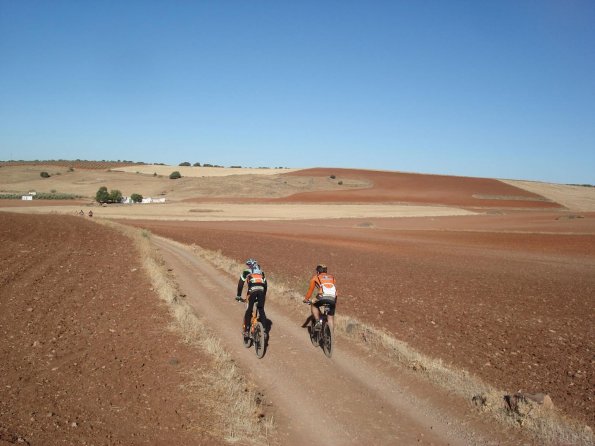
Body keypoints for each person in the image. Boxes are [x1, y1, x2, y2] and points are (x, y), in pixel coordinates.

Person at [236, 258, 268, 338]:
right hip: (261, 291)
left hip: (252, 291)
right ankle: (264, 331)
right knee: (261, 309)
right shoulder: (261, 272)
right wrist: (263, 295)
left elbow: (240, 285)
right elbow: (265, 285)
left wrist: (239, 296)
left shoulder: (246, 272)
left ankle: (246, 331)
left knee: (249, 309)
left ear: (248, 265)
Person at [303, 264, 338, 332]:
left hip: (322, 296)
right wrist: (334, 301)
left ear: (318, 272)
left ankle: (318, 322)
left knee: (314, 305)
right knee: (330, 317)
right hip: (332, 298)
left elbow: (310, 290)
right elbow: (336, 291)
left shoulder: (316, 277)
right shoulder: (332, 278)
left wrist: (306, 299)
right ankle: (330, 334)